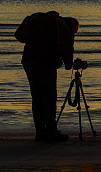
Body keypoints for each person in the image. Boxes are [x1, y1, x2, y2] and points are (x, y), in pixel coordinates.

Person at [15, 11, 79, 142]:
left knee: (37, 97)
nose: (74, 34)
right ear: (73, 25)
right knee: (49, 97)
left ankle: (40, 132)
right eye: (75, 32)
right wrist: (69, 64)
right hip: (45, 63)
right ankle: (51, 131)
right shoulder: (64, 28)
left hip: (28, 61)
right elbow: (67, 52)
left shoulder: (46, 22)